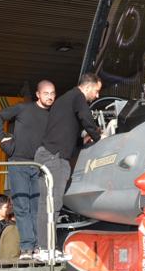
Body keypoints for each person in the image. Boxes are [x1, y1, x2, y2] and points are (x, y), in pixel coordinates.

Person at [35, 72, 103, 251]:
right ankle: (47, 249)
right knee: (53, 203)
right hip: (55, 157)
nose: (97, 96)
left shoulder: (65, 100)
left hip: (47, 154)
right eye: (96, 91)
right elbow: (86, 119)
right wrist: (99, 137)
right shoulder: (78, 97)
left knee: (46, 203)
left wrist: (81, 141)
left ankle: (43, 247)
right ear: (88, 87)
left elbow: (63, 129)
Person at [0, 80, 55, 257]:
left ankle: (38, 246)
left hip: (39, 165)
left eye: (52, 93)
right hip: (18, 164)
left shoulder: (53, 115)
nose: (50, 97)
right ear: (38, 94)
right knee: (22, 206)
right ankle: (27, 247)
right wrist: (3, 138)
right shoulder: (23, 109)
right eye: (46, 93)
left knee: (37, 207)